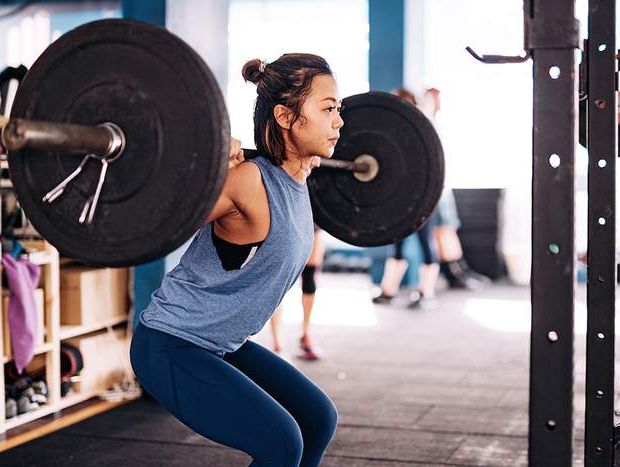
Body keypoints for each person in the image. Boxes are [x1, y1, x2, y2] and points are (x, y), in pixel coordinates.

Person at [130, 54, 341, 467]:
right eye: (329, 108)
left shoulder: (298, 178)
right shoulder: (247, 181)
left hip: (221, 344)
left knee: (317, 419)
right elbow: (156, 216)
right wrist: (207, 165)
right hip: (172, 343)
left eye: (340, 110)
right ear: (285, 115)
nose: (339, 121)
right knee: (282, 443)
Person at [372, 88, 440, 309]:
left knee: (425, 243)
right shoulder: (393, 130)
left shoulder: (424, 128)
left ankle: (426, 292)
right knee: (398, 245)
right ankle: (388, 291)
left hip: (424, 198)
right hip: (400, 199)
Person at [420, 88, 490, 290]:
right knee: (443, 230)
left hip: (441, 186)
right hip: (435, 188)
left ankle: (458, 271)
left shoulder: (434, 122)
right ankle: (453, 273)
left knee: (447, 229)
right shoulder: (425, 121)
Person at [269, 227, 325, 360]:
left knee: (309, 274)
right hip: (285, 221)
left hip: (314, 219)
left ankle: (305, 335)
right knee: (279, 278)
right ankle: (277, 343)